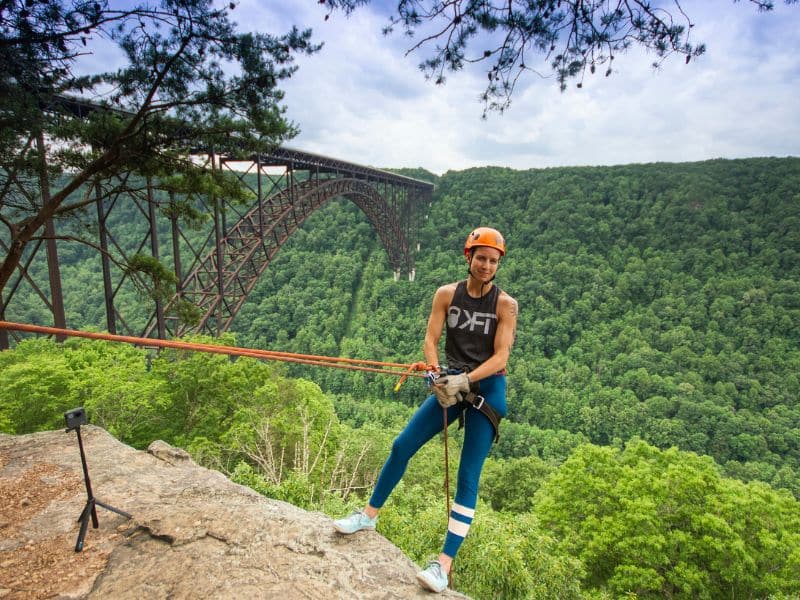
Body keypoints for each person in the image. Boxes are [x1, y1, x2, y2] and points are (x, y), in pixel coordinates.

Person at [333, 227, 518, 593]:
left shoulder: (505, 305)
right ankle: (368, 516)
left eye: (493, 261)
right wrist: (435, 374)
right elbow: (431, 340)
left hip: (486, 391)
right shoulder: (446, 295)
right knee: (402, 445)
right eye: (480, 258)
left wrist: (464, 381)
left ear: (498, 265)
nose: (486, 266)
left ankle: (443, 566)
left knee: (467, 476)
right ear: (469, 257)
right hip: (448, 383)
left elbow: (501, 355)